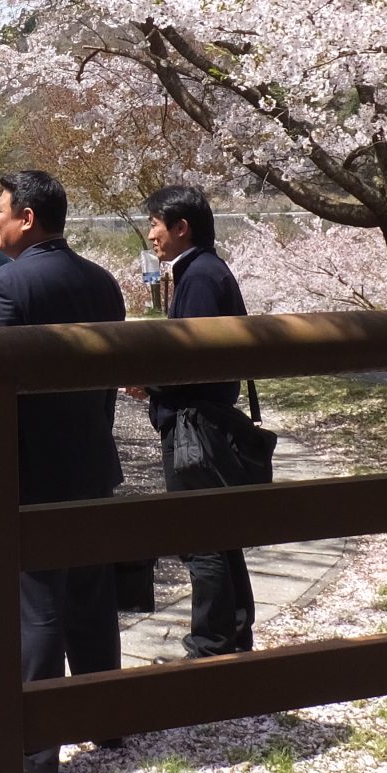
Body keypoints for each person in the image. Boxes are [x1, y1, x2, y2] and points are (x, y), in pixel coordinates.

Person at [0, 169, 128, 773]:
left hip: (32, 469)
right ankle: (103, 721)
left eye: (2, 211)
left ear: (28, 219)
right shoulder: (102, 283)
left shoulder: (5, 288)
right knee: (91, 597)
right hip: (92, 458)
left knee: (37, 605)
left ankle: (36, 747)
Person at [141, 182, 260, 659]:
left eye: (155, 223)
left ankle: (210, 645)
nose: (151, 234)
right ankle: (234, 633)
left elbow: (192, 362)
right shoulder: (207, 271)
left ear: (180, 227)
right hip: (210, 419)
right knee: (220, 533)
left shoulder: (199, 277)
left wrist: (148, 382)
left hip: (196, 425)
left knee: (200, 537)